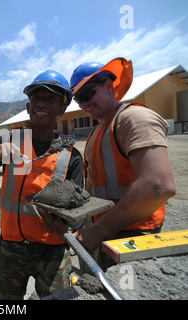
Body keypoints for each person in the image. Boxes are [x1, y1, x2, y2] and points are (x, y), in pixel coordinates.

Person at [0, 70, 84, 299]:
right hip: (11, 247)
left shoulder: (72, 156)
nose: (41, 104)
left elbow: (77, 209)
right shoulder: (9, 142)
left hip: (52, 250)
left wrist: (68, 222)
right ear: (29, 107)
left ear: (62, 109)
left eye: (51, 99)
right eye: (36, 98)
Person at [69, 57, 176, 268]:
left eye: (88, 94)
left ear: (109, 86)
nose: (83, 104)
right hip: (105, 232)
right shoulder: (99, 129)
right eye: (78, 99)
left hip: (132, 236)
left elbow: (158, 186)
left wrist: (98, 231)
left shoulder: (133, 118)